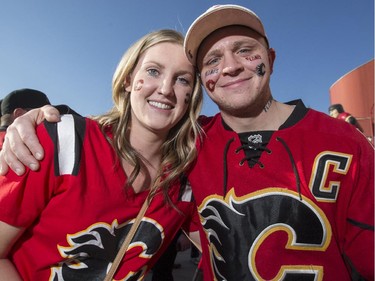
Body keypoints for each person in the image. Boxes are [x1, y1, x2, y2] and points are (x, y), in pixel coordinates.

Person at [1, 4, 374, 281]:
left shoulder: (344, 142)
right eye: (212, 59)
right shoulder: (66, 142)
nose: (229, 66)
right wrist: (39, 120)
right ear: (129, 78)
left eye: (245, 49)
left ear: (271, 59)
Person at [0, 29, 203, 280]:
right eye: (153, 71)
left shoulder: (184, 181)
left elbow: (229, 249)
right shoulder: (62, 141)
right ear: (128, 79)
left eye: (182, 79)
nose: (165, 89)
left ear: (191, 96)